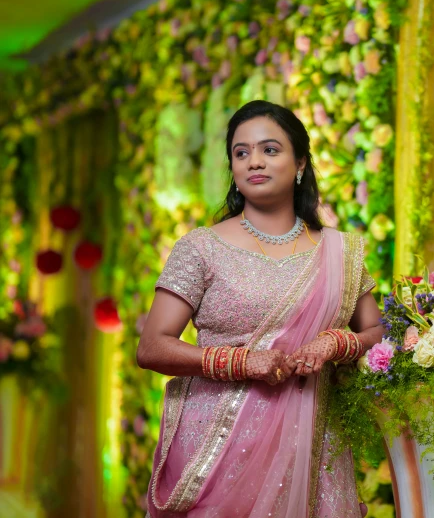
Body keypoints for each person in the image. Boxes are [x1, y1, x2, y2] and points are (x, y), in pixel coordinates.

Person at [137, 100, 383, 517]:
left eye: (270, 150)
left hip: (312, 443)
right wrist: (241, 362)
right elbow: (152, 348)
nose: (255, 161)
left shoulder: (340, 252)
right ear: (232, 168)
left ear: (300, 162)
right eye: (241, 152)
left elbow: (376, 333)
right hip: (215, 446)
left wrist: (337, 343)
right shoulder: (201, 248)